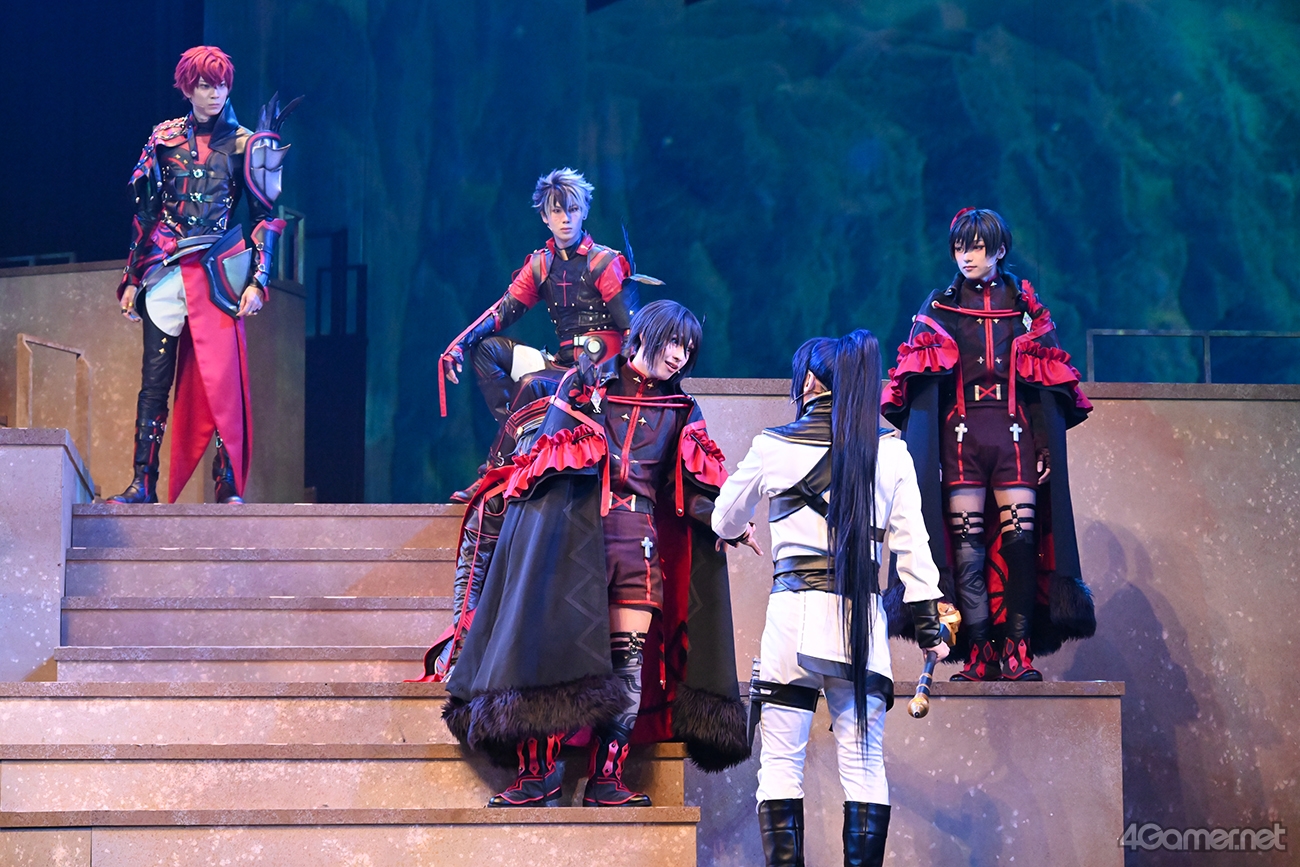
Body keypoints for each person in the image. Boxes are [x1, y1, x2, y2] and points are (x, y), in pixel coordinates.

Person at [443, 300, 751, 807]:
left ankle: (607, 779)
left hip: (640, 546)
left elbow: (690, 489)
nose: (680, 356)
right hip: (574, 543)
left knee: (628, 663)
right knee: (554, 653)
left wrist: (729, 525)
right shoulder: (588, 387)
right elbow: (546, 466)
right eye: (674, 342)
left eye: (689, 349)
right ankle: (537, 776)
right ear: (646, 334)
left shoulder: (683, 409)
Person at [713, 331, 948, 867]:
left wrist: (741, 529)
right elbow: (913, 548)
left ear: (810, 383)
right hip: (859, 625)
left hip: (792, 621)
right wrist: (929, 623)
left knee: (780, 766)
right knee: (864, 768)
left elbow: (723, 518)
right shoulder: (891, 452)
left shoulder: (773, 446)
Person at [882, 208, 1095, 681]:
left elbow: (1045, 384)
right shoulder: (939, 308)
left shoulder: (1025, 308)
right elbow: (919, 389)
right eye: (960, 247)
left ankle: (1018, 650)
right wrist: (924, 452)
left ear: (999, 250)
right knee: (967, 551)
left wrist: (1043, 444)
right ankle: (978, 650)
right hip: (959, 442)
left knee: (1021, 546)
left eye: (977, 247)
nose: (967, 256)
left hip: (1014, 438)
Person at [110, 45, 295, 504]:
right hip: (165, 271)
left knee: (222, 386)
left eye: (222, 85)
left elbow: (265, 218)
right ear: (187, 88)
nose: (215, 93)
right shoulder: (164, 138)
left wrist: (259, 280)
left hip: (217, 275)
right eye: (205, 85)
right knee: (154, 383)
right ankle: (142, 483)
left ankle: (226, 484)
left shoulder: (248, 144)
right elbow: (146, 212)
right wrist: (131, 277)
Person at [439, 168, 649, 501]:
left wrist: (617, 378)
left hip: (600, 374)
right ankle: (523, 438)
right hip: (561, 367)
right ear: (544, 217)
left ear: (584, 212)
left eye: (573, 209)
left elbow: (634, 332)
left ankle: (496, 470)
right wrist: (458, 346)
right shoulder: (541, 265)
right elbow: (501, 312)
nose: (566, 218)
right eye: (557, 210)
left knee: (532, 384)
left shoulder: (603, 262)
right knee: (488, 351)